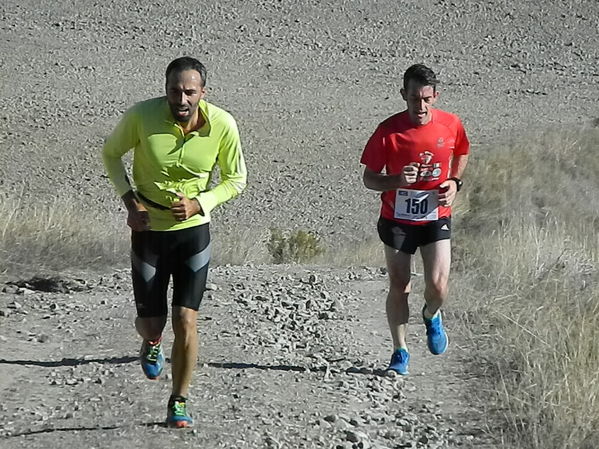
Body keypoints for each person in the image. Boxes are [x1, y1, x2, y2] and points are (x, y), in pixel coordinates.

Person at [102, 56, 247, 427]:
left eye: (189, 92)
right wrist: (129, 200)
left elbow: (235, 178)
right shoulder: (142, 116)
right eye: (174, 91)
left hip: (194, 231)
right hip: (149, 230)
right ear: (165, 90)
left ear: (203, 92)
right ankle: (151, 342)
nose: (181, 100)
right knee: (153, 324)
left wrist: (201, 202)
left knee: (186, 318)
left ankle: (178, 400)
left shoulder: (223, 125)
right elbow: (111, 153)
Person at [360, 64, 469, 375]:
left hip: (436, 215)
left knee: (438, 285)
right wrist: (395, 180)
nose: (419, 106)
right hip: (397, 218)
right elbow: (369, 178)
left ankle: (432, 315)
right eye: (412, 99)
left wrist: (454, 183)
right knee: (400, 284)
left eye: (425, 99)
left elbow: (461, 153)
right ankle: (400, 351)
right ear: (403, 96)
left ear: (435, 96)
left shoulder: (451, 124)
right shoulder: (388, 131)